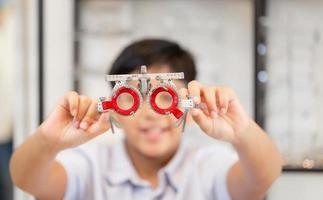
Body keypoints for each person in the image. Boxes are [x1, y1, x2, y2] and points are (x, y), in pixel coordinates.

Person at [10, 39, 283, 200]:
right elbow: (27, 180)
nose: (150, 112)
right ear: (114, 104)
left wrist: (242, 130)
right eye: (132, 97)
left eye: (163, 96)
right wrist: (49, 140)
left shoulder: (208, 164)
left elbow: (262, 179)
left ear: (186, 100)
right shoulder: (89, 164)